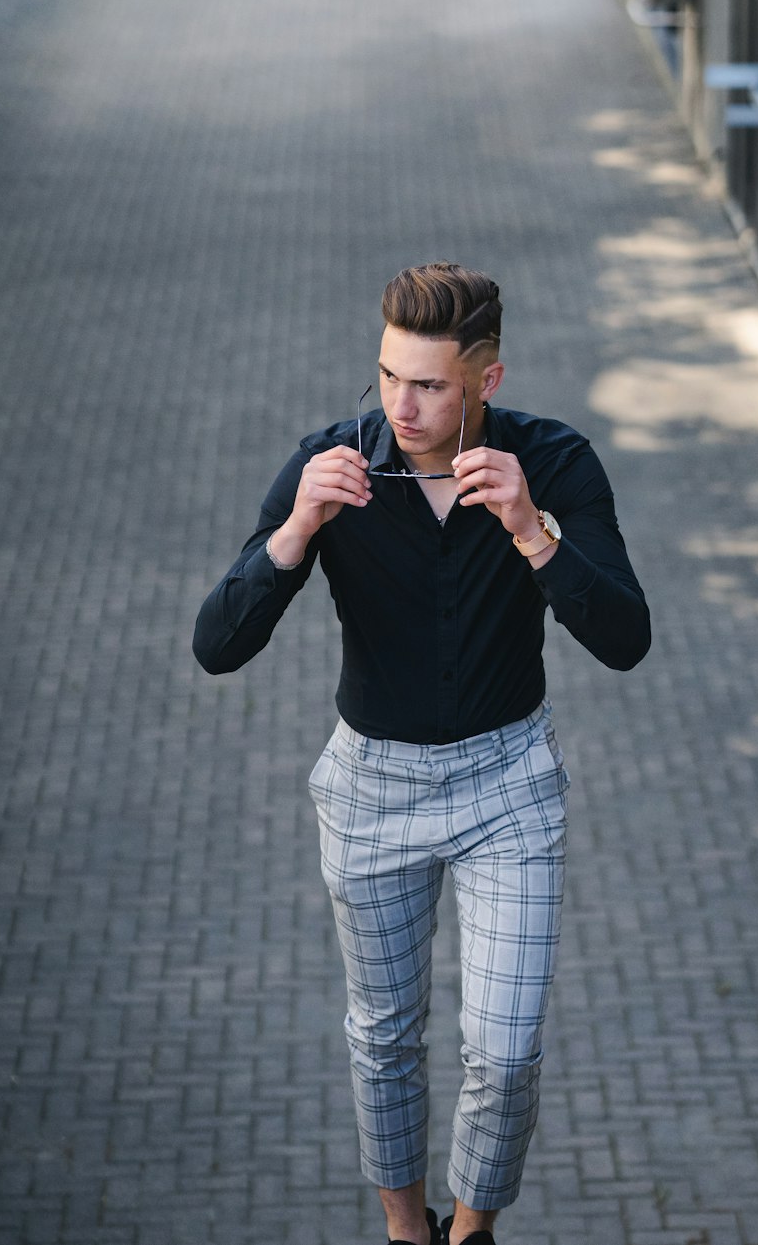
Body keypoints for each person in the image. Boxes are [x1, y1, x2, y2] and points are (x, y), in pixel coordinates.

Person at [193, 262, 650, 1245]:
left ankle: (469, 1229)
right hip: (372, 788)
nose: (403, 404)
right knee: (386, 1038)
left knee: (507, 1051)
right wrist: (294, 531)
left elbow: (625, 638)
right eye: (389, 376)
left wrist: (533, 532)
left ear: (486, 381)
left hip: (510, 785)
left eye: (431, 383)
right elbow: (215, 645)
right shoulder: (334, 462)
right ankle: (406, 1231)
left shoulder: (553, 463)